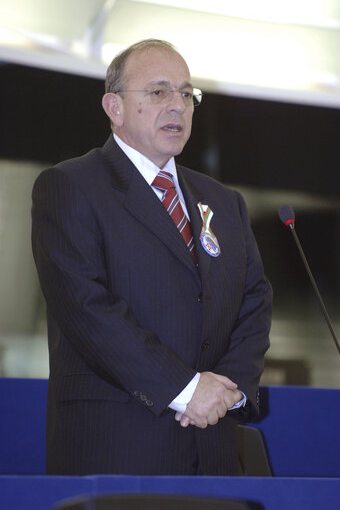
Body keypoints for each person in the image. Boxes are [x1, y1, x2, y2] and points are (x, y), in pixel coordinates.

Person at [31, 39, 272, 476]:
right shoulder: (70, 187)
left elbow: (254, 302)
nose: (177, 106)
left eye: (186, 93)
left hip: (212, 445)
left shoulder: (223, 201)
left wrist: (225, 393)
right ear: (114, 107)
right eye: (159, 92)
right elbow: (88, 309)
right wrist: (185, 389)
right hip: (115, 445)